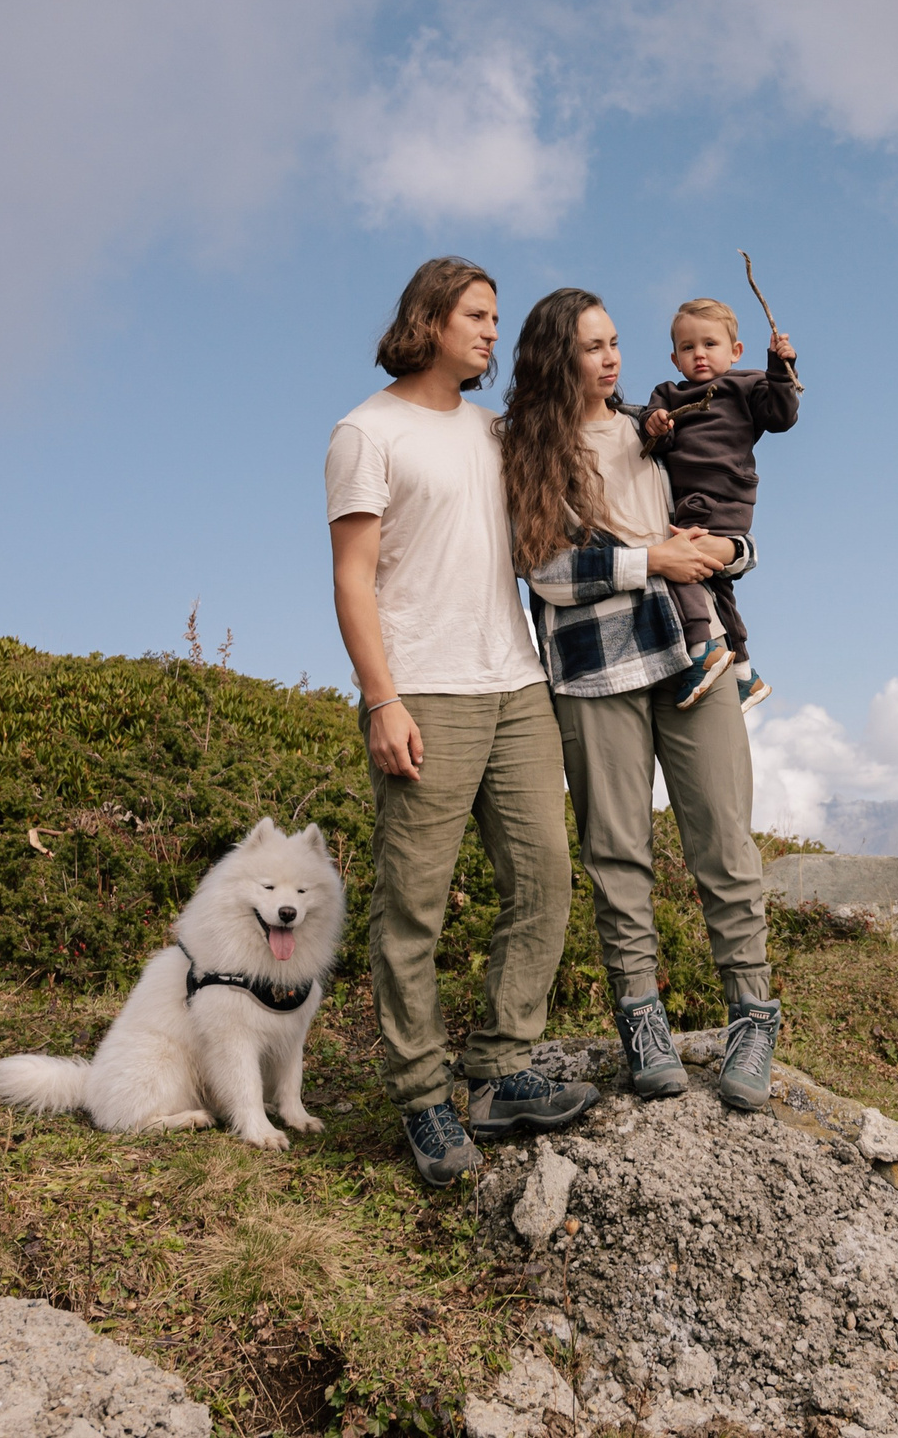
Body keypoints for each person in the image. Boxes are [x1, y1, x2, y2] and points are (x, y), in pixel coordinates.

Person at [325, 256, 598, 1186]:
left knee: (544, 875)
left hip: (516, 682)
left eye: (495, 318)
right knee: (415, 903)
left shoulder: (494, 432)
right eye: (477, 315)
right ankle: (422, 1097)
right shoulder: (367, 432)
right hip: (425, 692)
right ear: (430, 319)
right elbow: (352, 579)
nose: (491, 331)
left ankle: (500, 1070)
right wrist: (382, 698)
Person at [498, 287, 782, 1111]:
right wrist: (650, 561)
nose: (611, 357)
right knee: (616, 853)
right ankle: (641, 1021)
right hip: (595, 672)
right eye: (592, 346)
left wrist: (733, 549)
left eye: (615, 341)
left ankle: (753, 1016)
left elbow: (723, 511)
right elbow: (544, 568)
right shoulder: (530, 448)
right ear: (559, 358)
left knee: (724, 839)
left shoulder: (653, 424)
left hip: (694, 658)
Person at [640, 297, 801, 713]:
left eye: (710, 344)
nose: (700, 355)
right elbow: (655, 435)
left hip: (720, 495)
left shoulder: (746, 386)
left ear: (735, 351)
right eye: (688, 348)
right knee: (717, 584)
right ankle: (745, 672)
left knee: (680, 565)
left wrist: (781, 368)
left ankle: (700, 648)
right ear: (675, 358)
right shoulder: (668, 393)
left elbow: (782, 416)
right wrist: (655, 423)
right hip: (697, 500)